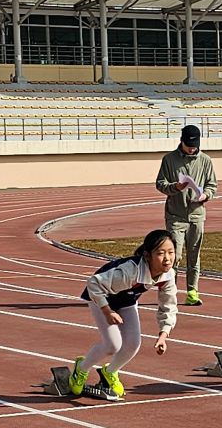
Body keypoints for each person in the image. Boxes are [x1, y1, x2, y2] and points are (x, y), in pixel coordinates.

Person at [69, 229, 177, 401]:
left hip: (126, 301)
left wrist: (163, 335)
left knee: (133, 344)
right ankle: (80, 370)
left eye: (171, 252)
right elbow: (93, 283)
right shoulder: (130, 272)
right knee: (113, 344)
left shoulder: (168, 275)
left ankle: (109, 372)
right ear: (147, 255)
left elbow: (169, 306)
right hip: (100, 297)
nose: (167, 259)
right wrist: (107, 311)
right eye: (160, 253)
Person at [156, 124, 214, 306]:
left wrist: (205, 195)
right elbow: (160, 183)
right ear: (181, 141)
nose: (192, 148)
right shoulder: (169, 159)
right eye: (189, 144)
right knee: (175, 255)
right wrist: (175, 187)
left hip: (197, 215)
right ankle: (170, 290)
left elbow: (212, 185)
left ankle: (192, 291)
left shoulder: (205, 160)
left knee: (194, 255)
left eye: (195, 145)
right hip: (176, 215)